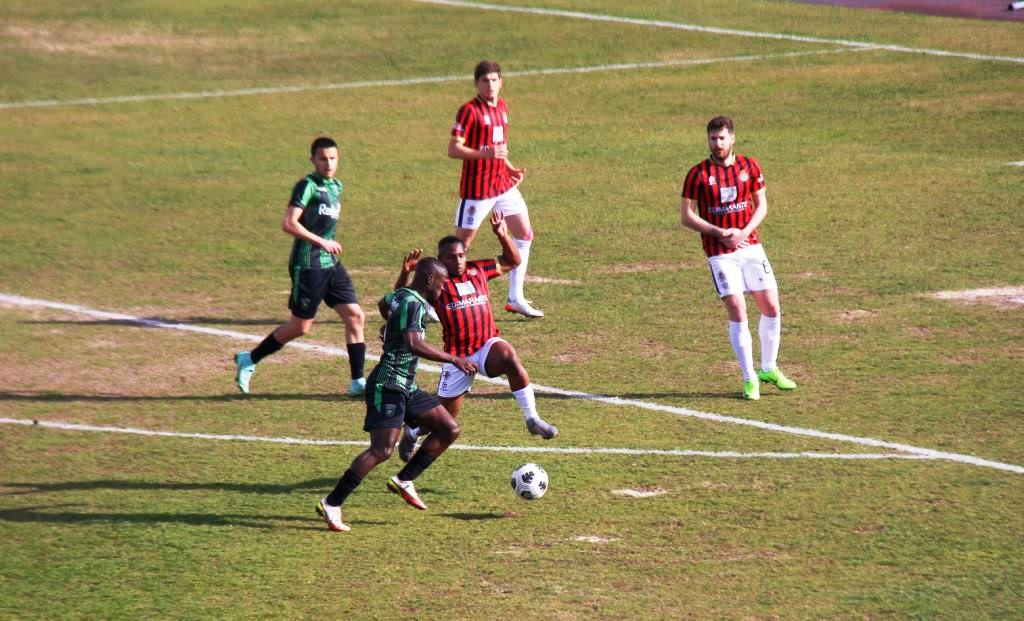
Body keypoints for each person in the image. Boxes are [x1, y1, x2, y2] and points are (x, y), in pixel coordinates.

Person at [316, 257, 477, 532]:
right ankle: (331, 503)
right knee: (382, 450)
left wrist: (392, 327)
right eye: (442, 283)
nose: (443, 289)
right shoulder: (415, 304)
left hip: (407, 386)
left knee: (448, 428)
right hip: (388, 384)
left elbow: (384, 304)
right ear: (429, 280)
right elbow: (414, 344)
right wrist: (453, 359)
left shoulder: (403, 294)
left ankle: (404, 480)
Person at [392, 211, 559, 463]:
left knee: (509, 356)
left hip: (486, 345)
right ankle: (414, 430)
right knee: (444, 419)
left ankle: (532, 419)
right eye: (451, 257)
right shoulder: (436, 285)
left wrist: (502, 234)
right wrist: (406, 274)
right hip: (458, 357)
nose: (458, 261)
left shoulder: (478, 270)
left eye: (461, 255)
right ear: (440, 260)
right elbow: (401, 298)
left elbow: (513, 260)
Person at [233, 137, 367, 397]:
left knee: (355, 315)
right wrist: (322, 242)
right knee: (300, 327)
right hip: (308, 264)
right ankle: (249, 360)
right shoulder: (307, 186)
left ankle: (357, 382)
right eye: (322, 158)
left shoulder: (336, 186)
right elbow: (289, 223)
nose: (328, 163)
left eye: (332, 158)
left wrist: (327, 246)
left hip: (330, 263)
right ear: (312, 160)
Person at [680, 116, 797, 401]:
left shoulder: (749, 166)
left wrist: (744, 231)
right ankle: (749, 378)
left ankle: (769, 368)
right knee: (738, 310)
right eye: (712, 139)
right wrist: (719, 231)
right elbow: (686, 216)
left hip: (751, 246)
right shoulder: (698, 174)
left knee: (770, 306)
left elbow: (762, 205)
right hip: (720, 252)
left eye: (722, 138)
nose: (717, 144)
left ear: (733, 138)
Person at [447, 59, 544, 319]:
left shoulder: (502, 107)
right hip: (477, 191)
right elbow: (453, 149)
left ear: (501, 82)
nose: (490, 85)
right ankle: (434, 299)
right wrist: (485, 153)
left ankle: (515, 297)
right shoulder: (468, 111)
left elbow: (498, 145)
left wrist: (509, 167)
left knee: (524, 234)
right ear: (476, 84)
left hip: (502, 185)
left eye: (494, 80)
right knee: (459, 247)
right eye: (484, 81)